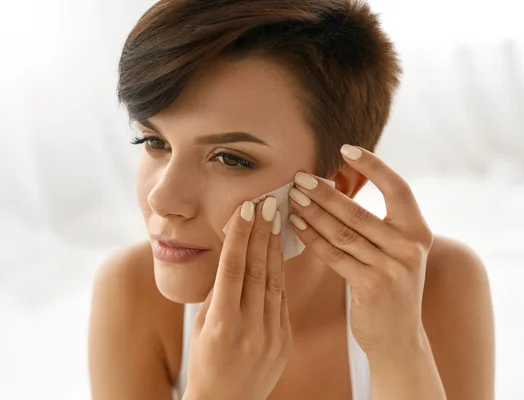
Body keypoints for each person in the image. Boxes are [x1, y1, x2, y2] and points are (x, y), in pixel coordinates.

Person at [88, 0, 495, 399]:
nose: (163, 199)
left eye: (230, 158)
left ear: (335, 184)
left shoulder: (439, 284)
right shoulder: (131, 293)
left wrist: (399, 347)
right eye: (154, 141)